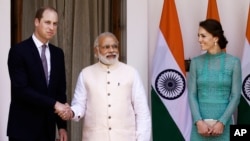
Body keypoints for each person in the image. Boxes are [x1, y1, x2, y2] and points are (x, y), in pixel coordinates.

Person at [59, 32, 151, 141]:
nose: (111, 50)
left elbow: (142, 112)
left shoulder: (131, 73)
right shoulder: (86, 74)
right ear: (96, 50)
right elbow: (79, 105)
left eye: (115, 46)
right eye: (106, 47)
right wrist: (71, 112)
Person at [7, 6, 69, 141]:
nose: (52, 27)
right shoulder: (18, 51)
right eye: (47, 22)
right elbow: (21, 90)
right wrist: (54, 104)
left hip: (48, 130)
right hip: (23, 130)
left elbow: (60, 91)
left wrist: (62, 126)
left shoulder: (58, 54)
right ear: (36, 22)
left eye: (55, 24)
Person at [188, 19, 242, 141]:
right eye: (198, 36)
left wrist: (222, 122)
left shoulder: (233, 62)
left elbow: (236, 96)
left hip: (224, 125)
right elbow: (191, 94)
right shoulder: (196, 62)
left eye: (203, 36)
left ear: (215, 38)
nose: (199, 40)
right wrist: (199, 122)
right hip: (200, 127)